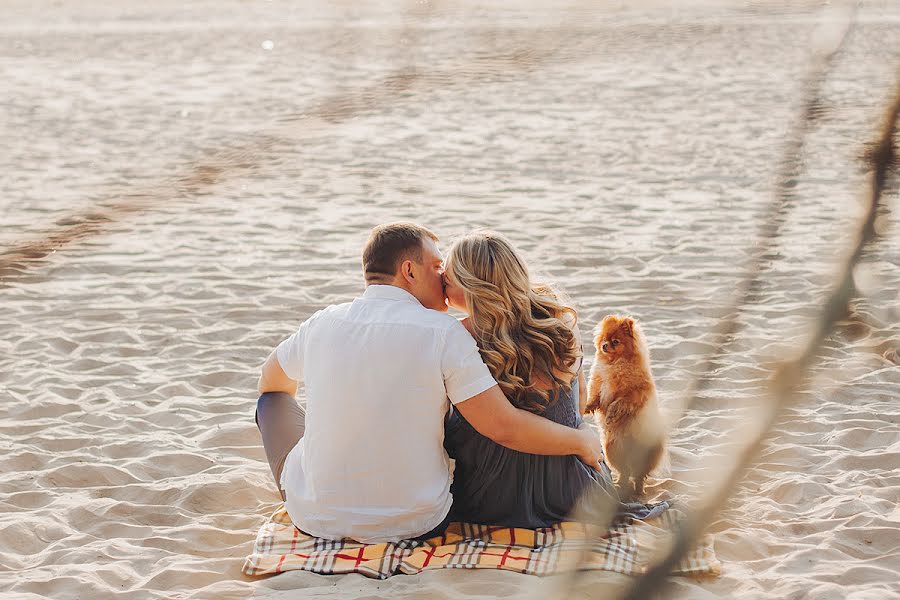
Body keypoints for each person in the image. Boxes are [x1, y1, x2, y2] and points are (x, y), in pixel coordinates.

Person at [254, 222, 606, 543]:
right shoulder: (447, 334)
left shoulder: (323, 322)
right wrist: (580, 441)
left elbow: (270, 381)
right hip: (421, 523)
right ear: (409, 270)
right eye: (437, 267)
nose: (441, 277)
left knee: (271, 402)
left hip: (317, 520)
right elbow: (511, 423)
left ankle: (315, 474)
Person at [442, 231, 667, 527]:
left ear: (473, 286)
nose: (442, 276)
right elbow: (579, 401)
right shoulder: (558, 321)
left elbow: (503, 428)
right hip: (576, 487)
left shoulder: (458, 336)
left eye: (449, 273)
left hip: (491, 496)